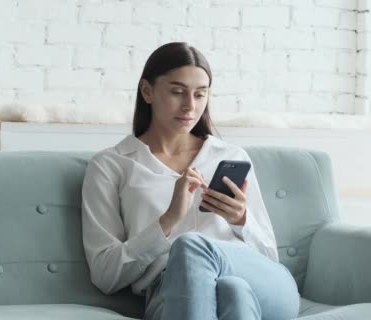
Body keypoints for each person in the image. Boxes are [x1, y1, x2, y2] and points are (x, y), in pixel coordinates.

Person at [81, 42, 300, 320]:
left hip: (264, 284)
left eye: (200, 94)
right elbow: (105, 274)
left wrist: (241, 219)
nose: (190, 106)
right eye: (177, 92)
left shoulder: (230, 155)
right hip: (171, 292)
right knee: (232, 291)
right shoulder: (111, 165)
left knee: (193, 248)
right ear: (147, 91)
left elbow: (269, 258)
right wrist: (169, 219)